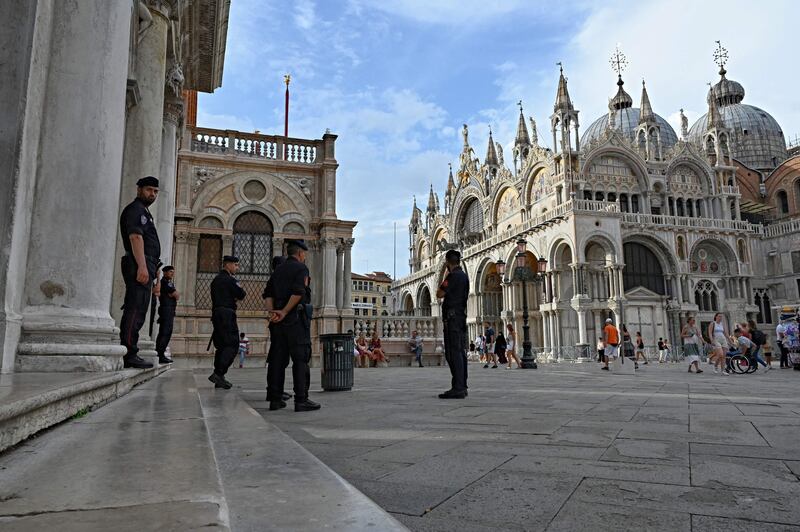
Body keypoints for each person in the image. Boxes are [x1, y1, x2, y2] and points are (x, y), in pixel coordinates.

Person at [265, 239, 320, 412]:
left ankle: (275, 399)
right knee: (300, 359)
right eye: (305, 254)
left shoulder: (278, 270)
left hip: (278, 323)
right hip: (295, 320)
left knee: (277, 360)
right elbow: (298, 293)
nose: (305, 257)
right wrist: (285, 311)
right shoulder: (301, 268)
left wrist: (273, 312)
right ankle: (301, 399)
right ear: (300, 253)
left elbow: (267, 294)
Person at [119, 176, 162, 369]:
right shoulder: (136, 210)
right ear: (139, 190)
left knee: (140, 308)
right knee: (135, 308)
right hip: (139, 263)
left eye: (155, 191)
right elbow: (136, 237)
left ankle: (131, 350)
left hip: (146, 263)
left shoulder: (145, 212)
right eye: (149, 190)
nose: (152, 194)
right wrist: (142, 266)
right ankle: (128, 353)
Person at [207, 255, 246, 389]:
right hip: (227, 315)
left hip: (217, 314)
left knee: (222, 346)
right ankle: (218, 373)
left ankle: (220, 378)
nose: (237, 267)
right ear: (228, 265)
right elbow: (241, 294)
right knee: (232, 344)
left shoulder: (216, 280)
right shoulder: (230, 280)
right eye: (235, 265)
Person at [436, 249, 469, 399]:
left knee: (453, 353)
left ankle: (458, 388)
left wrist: (445, 274)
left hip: (452, 319)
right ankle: (462, 385)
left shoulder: (452, 276)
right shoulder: (464, 277)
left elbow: (439, 293)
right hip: (461, 317)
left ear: (448, 262)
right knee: (460, 352)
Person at [263, 256, 291, 402]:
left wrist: (271, 314)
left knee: (276, 358)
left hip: (275, 321)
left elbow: (267, 298)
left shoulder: (272, 279)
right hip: (283, 322)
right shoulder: (280, 279)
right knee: (279, 359)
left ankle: (274, 391)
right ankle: (275, 392)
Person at [154, 265, 178, 364]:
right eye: (170, 272)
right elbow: (176, 295)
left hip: (169, 309)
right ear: (165, 272)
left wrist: (173, 295)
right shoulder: (165, 282)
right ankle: (160, 354)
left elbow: (176, 295)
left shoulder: (168, 283)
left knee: (166, 332)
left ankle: (160, 353)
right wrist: (173, 294)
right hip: (166, 309)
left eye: (173, 272)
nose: (172, 273)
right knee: (165, 332)